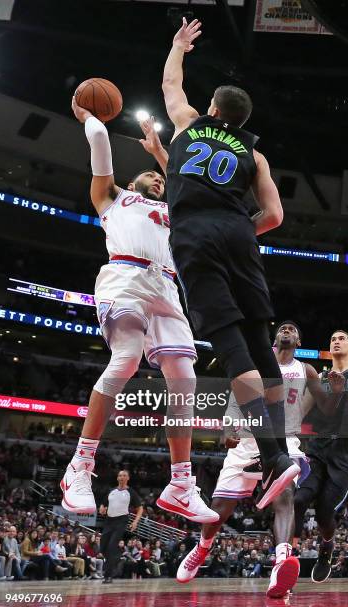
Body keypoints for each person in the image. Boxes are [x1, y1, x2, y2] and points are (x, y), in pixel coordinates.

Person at [160, 16, 300, 511]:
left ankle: (273, 457)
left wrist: (179, 46)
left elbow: (171, 85)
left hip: (196, 231)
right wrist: (239, 230)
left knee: (229, 344)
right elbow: (276, 215)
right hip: (239, 233)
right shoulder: (255, 155)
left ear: (214, 109)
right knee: (261, 345)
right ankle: (280, 452)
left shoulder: (189, 124)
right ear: (240, 122)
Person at [60, 96, 218, 526]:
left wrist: (160, 154)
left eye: (160, 179)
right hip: (125, 278)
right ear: (132, 184)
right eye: (149, 176)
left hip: (166, 287)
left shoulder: (174, 210)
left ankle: (180, 484)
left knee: (184, 379)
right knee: (126, 358)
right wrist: (90, 117)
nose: (158, 181)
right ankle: (80, 467)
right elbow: (99, 143)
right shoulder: (112, 199)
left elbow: (189, 186)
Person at [177, 321, 344, 597]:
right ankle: (202, 547)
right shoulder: (253, 363)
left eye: (293, 329)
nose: (287, 331)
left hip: (283, 442)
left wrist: (336, 394)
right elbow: (235, 399)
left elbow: (326, 409)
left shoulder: (307, 371)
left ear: (299, 342)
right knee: (219, 509)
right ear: (275, 338)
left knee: (286, 494)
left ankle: (281, 562)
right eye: (283, 329)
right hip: (246, 439)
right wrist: (228, 429)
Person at [294, 329, 348, 584]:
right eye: (332, 339)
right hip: (317, 448)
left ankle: (326, 548)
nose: (336, 341)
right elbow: (299, 412)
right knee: (298, 499)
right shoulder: (320, 378)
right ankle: (287, 559)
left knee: (324, 513)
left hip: (346, 455)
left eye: (342, 338)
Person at [99, 470, 142, 584]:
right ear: (117, 478)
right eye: (120, 475)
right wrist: (102, 509)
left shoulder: (131, 492)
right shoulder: (111, 491)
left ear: (128, 478)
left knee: (111, 547)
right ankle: (118, 554)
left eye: (124, 475)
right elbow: (103, 504)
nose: (121, 477)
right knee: (103, 547)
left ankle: (108, 576)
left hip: (121, 521)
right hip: (109, 521)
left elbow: (140, 508)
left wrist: (135, 522)